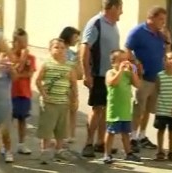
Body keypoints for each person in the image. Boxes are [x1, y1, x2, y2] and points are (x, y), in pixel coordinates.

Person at [80, 0, 123, 157]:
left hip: (110, 75)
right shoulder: (95, 23)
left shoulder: (113, 25)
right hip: (98, 74)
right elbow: (85, 48)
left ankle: (101, 142)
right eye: (120, 8)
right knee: (97, 108)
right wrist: (86, 73)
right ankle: (88, 143)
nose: (122, 12)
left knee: (106, 109)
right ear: (112, 7)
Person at [125, 6, 168, 152]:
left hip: (157, 77)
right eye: (161, 19)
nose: (163, 22)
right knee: (139, 108)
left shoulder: (159, 35)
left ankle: (142, 136)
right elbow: (127, 50)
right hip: (143, 78)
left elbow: (164, 52)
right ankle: (132, 137)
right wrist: (136, 64)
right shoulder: (138, 32)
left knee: (149, 108)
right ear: (152, 18)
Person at [36, 38, 77, 164]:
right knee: (47, 129)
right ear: (50, 50)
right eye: (56, 47)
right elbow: (38, 80)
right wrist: (44, 94)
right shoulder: (46, 64)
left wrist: (74, 99)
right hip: (49, 103)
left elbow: (73, 84)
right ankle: (45, 151)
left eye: (62, 47)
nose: (59, 50)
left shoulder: (69, 66)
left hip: (63, 102)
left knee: (61, 129)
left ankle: (59, 150)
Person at [103, 50, 140, 164]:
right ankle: (107, 154)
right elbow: (112, 82)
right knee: (111, 132)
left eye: (126, 60)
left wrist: (133, 72)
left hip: (125, 110)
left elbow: (137, 84)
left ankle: (128, 153)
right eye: (120, 60)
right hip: (114, 110)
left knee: (125, 133)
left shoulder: (128, 74)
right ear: (113, 62)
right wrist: (119, 71)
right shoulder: (111, 72)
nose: (124, 63)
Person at [154, 52, 172, 161]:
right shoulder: (160, 75)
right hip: (162, 109)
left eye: (171, 58)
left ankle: (171, 151)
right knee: (160, 130)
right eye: (166, 58)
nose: (168, 61)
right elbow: (156, 91)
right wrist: (156, 106)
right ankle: (160, 151)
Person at [0, 5, 16, 163]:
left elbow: (10, 57)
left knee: (2, 118)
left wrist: (5, 63)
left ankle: (5, 149)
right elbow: (10, 55)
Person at [11, 28, 36, 155]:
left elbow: (29, 73)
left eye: (25, 41)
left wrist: (18, 72)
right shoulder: (8, 55)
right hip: (10, 93)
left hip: (24, 93)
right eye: (21, 42)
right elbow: (12, 73)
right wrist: (21, 59)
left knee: (23, 119)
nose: (24, 45)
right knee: (7, 120)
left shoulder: (31, 58)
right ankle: (6, 145)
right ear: (14, 42)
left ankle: (21, 144)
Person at [59, 26, 80, 143]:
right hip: (63, 84)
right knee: (64, 110)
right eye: (75, 37)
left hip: (73, 84)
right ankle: (64, 134)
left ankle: (72, 134)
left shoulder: (73, 53)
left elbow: (78, 72)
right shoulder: (62, 51)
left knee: (73, 109)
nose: (77, 39)